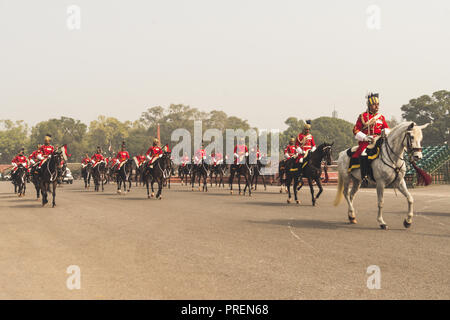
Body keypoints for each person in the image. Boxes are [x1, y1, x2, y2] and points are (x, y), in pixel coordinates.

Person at [352, 92, 390, 181]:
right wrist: (365, 137)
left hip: (379, 140)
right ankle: (365, 175)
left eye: (378, 104)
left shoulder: (381, 117)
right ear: (369, 106)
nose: (377, 106)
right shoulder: (363, 116)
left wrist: (385, 131)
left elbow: (387, 128)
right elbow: (355, 130)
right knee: (363, 153)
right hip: (367, 142)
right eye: (374, 105)